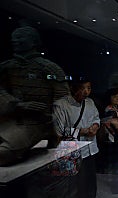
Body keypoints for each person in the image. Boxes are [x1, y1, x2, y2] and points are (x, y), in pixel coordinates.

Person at [0, 26, 70, 166]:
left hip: (38, 122)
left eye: (20, 37)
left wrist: (56, 124)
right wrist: (16, 104)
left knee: (3, 154)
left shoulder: (49, 68)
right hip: (10, 119)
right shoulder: (7, 67)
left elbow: (62, 98)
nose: (15, 40)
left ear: (33, 42)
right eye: (14, 37)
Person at [53, 78, 103, 198]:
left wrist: (95, 126)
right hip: (72, 149)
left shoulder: (90, 102)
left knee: (89, 177)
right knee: (76, 181)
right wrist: (83, 131)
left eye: (89, 88)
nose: (86, 91)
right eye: (82, 88)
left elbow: (96, 117)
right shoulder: (61, 105)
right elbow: (60, 131)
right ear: (73, 88)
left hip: (90, 147)